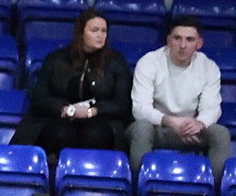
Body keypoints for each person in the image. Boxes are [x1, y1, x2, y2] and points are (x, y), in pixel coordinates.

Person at [12, 10, 133, 158]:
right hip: (59, 118)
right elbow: (40, 96)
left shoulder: (116, 61)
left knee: (94, 135)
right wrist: (64, 108)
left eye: (104, 31)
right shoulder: (57, 59)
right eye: (94, 30)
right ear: (81, 33)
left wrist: (92, 111)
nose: (100, 35)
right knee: (59, 133)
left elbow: (121, 104)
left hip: (102, 121)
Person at [128, 15, 230, 180]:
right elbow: (140, 109)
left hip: (191, 129)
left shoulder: (209, 67)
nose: (183, 45)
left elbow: (212, 108)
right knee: (141, 128)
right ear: (169, 40)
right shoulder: (149, 62)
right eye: (177, 38)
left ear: (199, 43)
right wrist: (170, 121)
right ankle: (137, 190)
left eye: (189, 40)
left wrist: (199, 123)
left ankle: (215, 193)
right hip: (158, 128)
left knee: (221, 134)